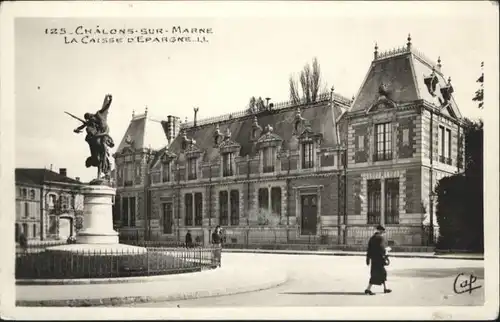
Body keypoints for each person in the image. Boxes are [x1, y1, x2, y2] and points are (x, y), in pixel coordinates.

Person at [365, 224, 392, 295]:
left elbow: (369, 249)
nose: (383, 233)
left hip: (374, 259)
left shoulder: (372, 238)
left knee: (381, 273)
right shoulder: (380, 238)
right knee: (378, 274)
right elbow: (381, 248)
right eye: (383, 231)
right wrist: (387, 250)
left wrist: (367, 258)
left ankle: (385, 288)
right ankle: (368, 289)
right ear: (380, 231)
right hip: (379, 259)